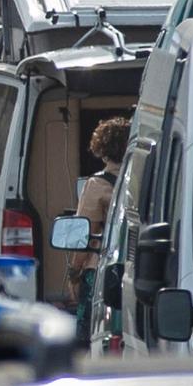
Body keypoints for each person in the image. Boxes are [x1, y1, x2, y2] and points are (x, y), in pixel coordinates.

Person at [68, 116, 128, 309]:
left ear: (102, 151)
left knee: (89, 332)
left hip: (102, 269)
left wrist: (75, 273)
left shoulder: (97, 184)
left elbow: (86, 233)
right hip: (135, 269)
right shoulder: (143, 180)